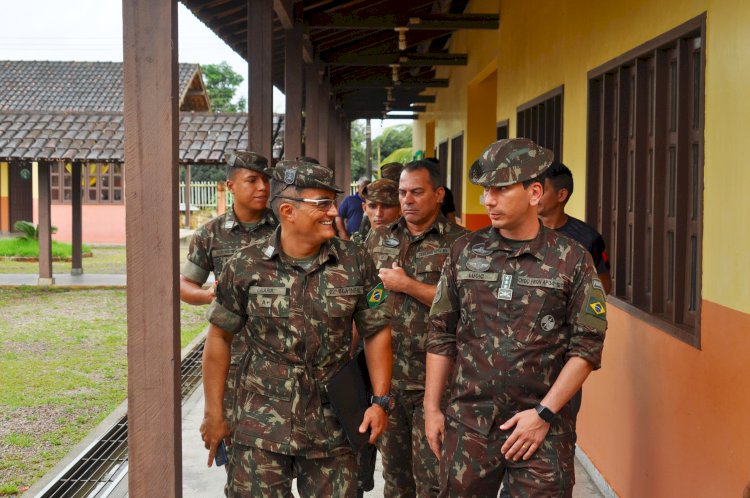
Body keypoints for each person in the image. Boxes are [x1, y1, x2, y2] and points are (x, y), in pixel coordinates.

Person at [424, 138, 607, 497]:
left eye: (501, 189)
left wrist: (543, 415)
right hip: (469, 425)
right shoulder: (464, 252)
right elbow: (440, 332)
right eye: (485, 190)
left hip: (542, 429)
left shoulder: (572, 259)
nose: (487, 200)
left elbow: (587, 347)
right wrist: (432, 409)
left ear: (535, 192)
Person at [200, 159, 394, 497]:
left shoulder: (355, 261)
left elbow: (375, 330)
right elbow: (219, 338)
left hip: (333, 422)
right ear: (288, 211)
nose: (334, 212)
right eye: (322, 204)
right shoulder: (245, 265)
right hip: (261, 421)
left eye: (332, 203)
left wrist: (380, 400)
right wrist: (214, 412)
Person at [365, 160, 467, 497]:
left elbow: (469, 309)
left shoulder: (462, 245)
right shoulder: (379, 238)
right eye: (402, 193)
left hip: (438, 385)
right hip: (388, 384)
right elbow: (364, 299)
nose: (407, 200)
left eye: (416, 192)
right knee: (395, 481)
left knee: (435, 480)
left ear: (438, 194)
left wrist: (409, 286)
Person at [180, 150, 277, 428]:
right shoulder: (211, 234)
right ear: (231, 186)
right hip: (231, 359)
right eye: (252, 180)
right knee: (236, 448)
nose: (262, 187)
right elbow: (186, 285)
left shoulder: (284, 229)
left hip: (281, 358)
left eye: (265, 180)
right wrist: (208, 294)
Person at [537, 161, 612, 295]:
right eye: (532, 189)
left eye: (541, 190)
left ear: (561, 195)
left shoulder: (589, 239)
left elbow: (604, 283)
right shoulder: (520, 231)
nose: (534, 196)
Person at [350, 178, 401, 247]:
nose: (378, 214)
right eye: (372, 206)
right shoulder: (358, 240)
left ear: (400, 209)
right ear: (365, 208)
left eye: (386, 206)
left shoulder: (409, 242)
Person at [336, 176, 370, 240]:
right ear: (358, 187)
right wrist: (344, 236)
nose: (367, 190)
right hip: (351, 238)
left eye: (369, 188)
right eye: (364, 187)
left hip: (370, 239)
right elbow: (338, 218)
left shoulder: (374, 202)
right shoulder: (349, 200)